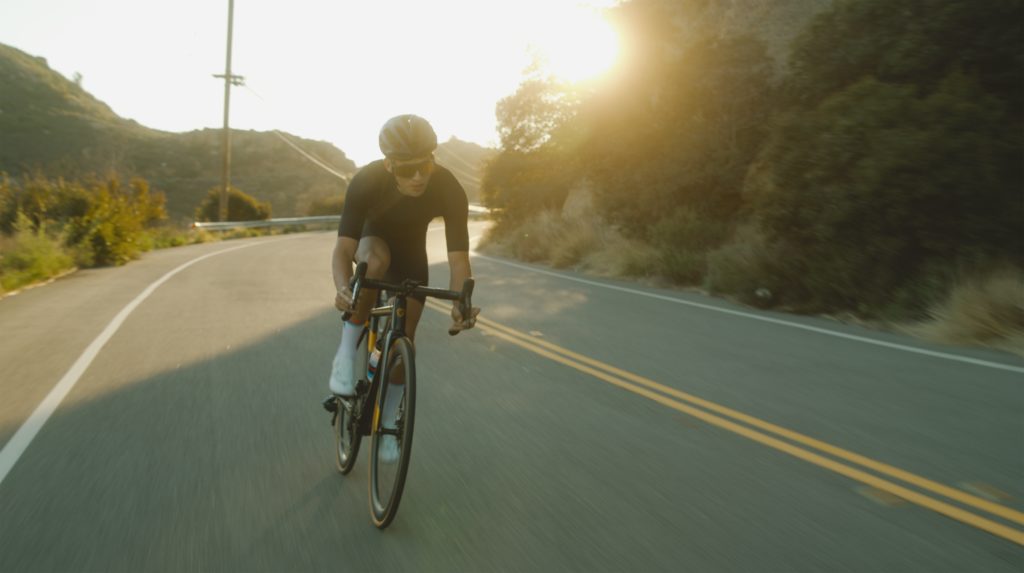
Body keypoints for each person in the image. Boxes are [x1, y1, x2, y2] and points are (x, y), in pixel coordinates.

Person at [329, 114, 480, 404]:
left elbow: (459, 260)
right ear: (390, 165)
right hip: (373, 243)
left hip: (411, 255)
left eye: (425, 166)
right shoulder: (367, 181)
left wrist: (460, 304)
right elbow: (344, 250)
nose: (419, 177)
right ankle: (346, 355)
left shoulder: (448, 187)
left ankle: (388, 426)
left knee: (405, 342)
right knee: (374, 261)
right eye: (408, 169)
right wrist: (342, 288)